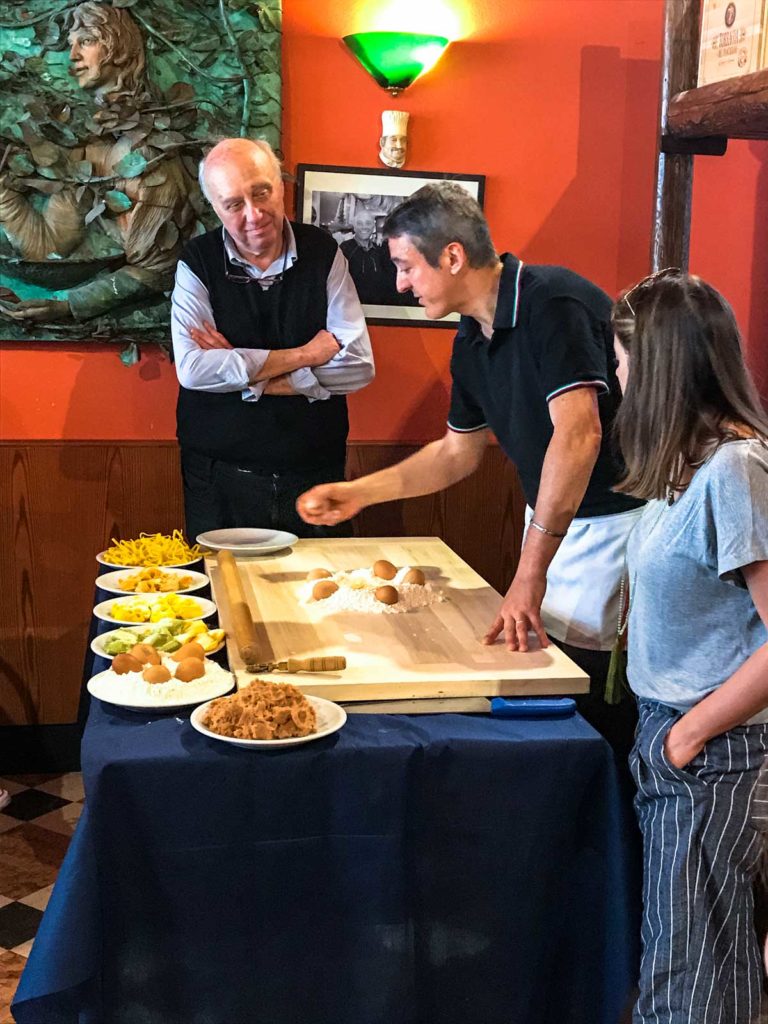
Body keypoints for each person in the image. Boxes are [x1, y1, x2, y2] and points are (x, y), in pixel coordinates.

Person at [298, 181, 644, 758]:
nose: (401, 283)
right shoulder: (470, 337)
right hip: (557, 526)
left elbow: (579, 435)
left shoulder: (550, 302)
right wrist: (360, 492)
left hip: (619, 529)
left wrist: (529, 573)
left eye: (406, 266)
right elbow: (457, 452)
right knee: (557, 697)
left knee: (599, 710)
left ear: (453, 255)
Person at [612, 270, 768, 1024]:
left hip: (716, 754)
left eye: (622, 360)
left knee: (697, 981)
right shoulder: (690, 463)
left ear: (659, 368)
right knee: (682, 956)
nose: (616, 375)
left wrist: (690, 734)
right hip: (674, 736)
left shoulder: (736, 470)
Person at [171, 137, 375, 542]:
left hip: (316, 474)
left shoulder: (324, 253)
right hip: (218, 480)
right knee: (226, 601)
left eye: (261, 192)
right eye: (233, 203)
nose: (254, 213)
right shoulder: (197, 261)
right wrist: (307, 355)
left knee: (321, 600)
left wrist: (248, 378)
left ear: (281, 186)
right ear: (215, 207)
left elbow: (358, 367)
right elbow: (193, 370)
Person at [0, 1, 195, 325]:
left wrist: (72, 306)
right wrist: (5, 195)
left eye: (87, 40)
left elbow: (159, 268)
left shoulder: (148, 154)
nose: (72, 55)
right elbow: (50, 247)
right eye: (71, 43)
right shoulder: (86, 147)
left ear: (118, 48)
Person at [340, 209, 399, 305]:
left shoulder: (380, 251)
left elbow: (387, 281)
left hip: (377, 307)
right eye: (360, 223)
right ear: (354, 227)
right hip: (353, 308)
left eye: (368, 223)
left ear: (373, 227)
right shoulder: (345, 249)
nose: (364, 227)